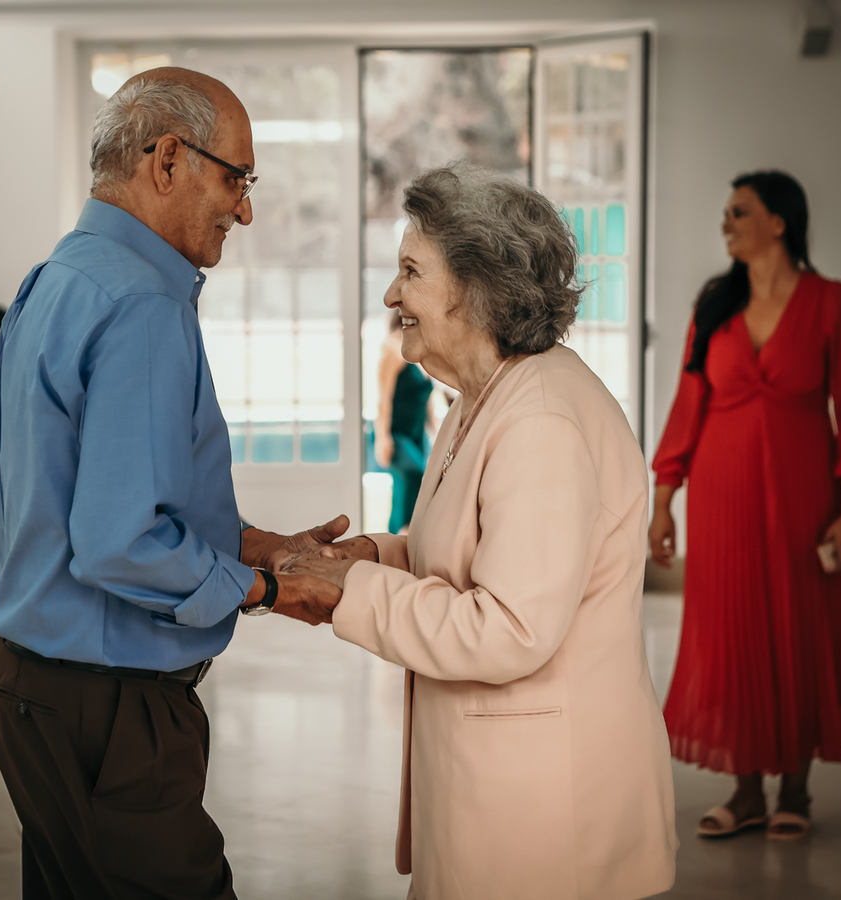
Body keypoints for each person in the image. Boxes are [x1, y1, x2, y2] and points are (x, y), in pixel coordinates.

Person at [0, 67, 348, 899]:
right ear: (169, 159)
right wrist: (261, 589)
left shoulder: (57, 278)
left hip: (32, 692)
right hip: (110, 714)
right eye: (237, 179)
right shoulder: (143, 304)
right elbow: (119, 542)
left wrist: (262, 546)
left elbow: (74, 498)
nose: (245, 209)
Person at [282, 163, 678, 900]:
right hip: (503, 787)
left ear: (475, 288)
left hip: (545, 815)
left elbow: (510, 626)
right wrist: (368, 555)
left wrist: (349, 590)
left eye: (410, 271)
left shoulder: (540, 422)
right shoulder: (481, 398)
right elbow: (464, 553)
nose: (392, 295)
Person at [648, 171, 841, 841]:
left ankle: (796, 790)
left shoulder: (833, 304)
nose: (725, 224)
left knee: (799, 629)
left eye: (739, 212)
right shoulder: (715, 305)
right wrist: (664, 500)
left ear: (779, 222)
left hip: (805, 497)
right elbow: (686, 408)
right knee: (732, 635)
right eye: (725, 213)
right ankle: (746, 789)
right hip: (722, 502)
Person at [374, 312, 433, 533]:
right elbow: (384, 397)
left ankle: (404, 546)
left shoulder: (418, 350)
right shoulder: (392, 348)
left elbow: (425, 399)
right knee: (412, 480)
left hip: (418, 435)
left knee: (411, 491)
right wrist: (382, 437)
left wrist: (436, 430)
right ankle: (396, 543)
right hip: (398, 434)